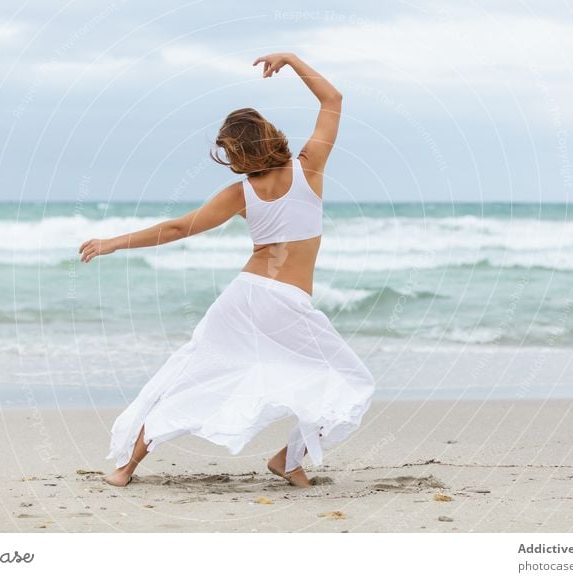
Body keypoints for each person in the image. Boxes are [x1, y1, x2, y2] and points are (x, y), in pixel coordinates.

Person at [79, 52, 375, 488]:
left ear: (235, 153)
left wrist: (112, 243)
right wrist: (291, 61)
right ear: (271, 136)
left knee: (193, 374)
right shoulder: (308, 167)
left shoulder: (241, 192)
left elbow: (179, 228)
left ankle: (126, 468)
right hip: (286, 302)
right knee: (349, 381)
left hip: (246, 296)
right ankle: (288, 460)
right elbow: (333, 99)